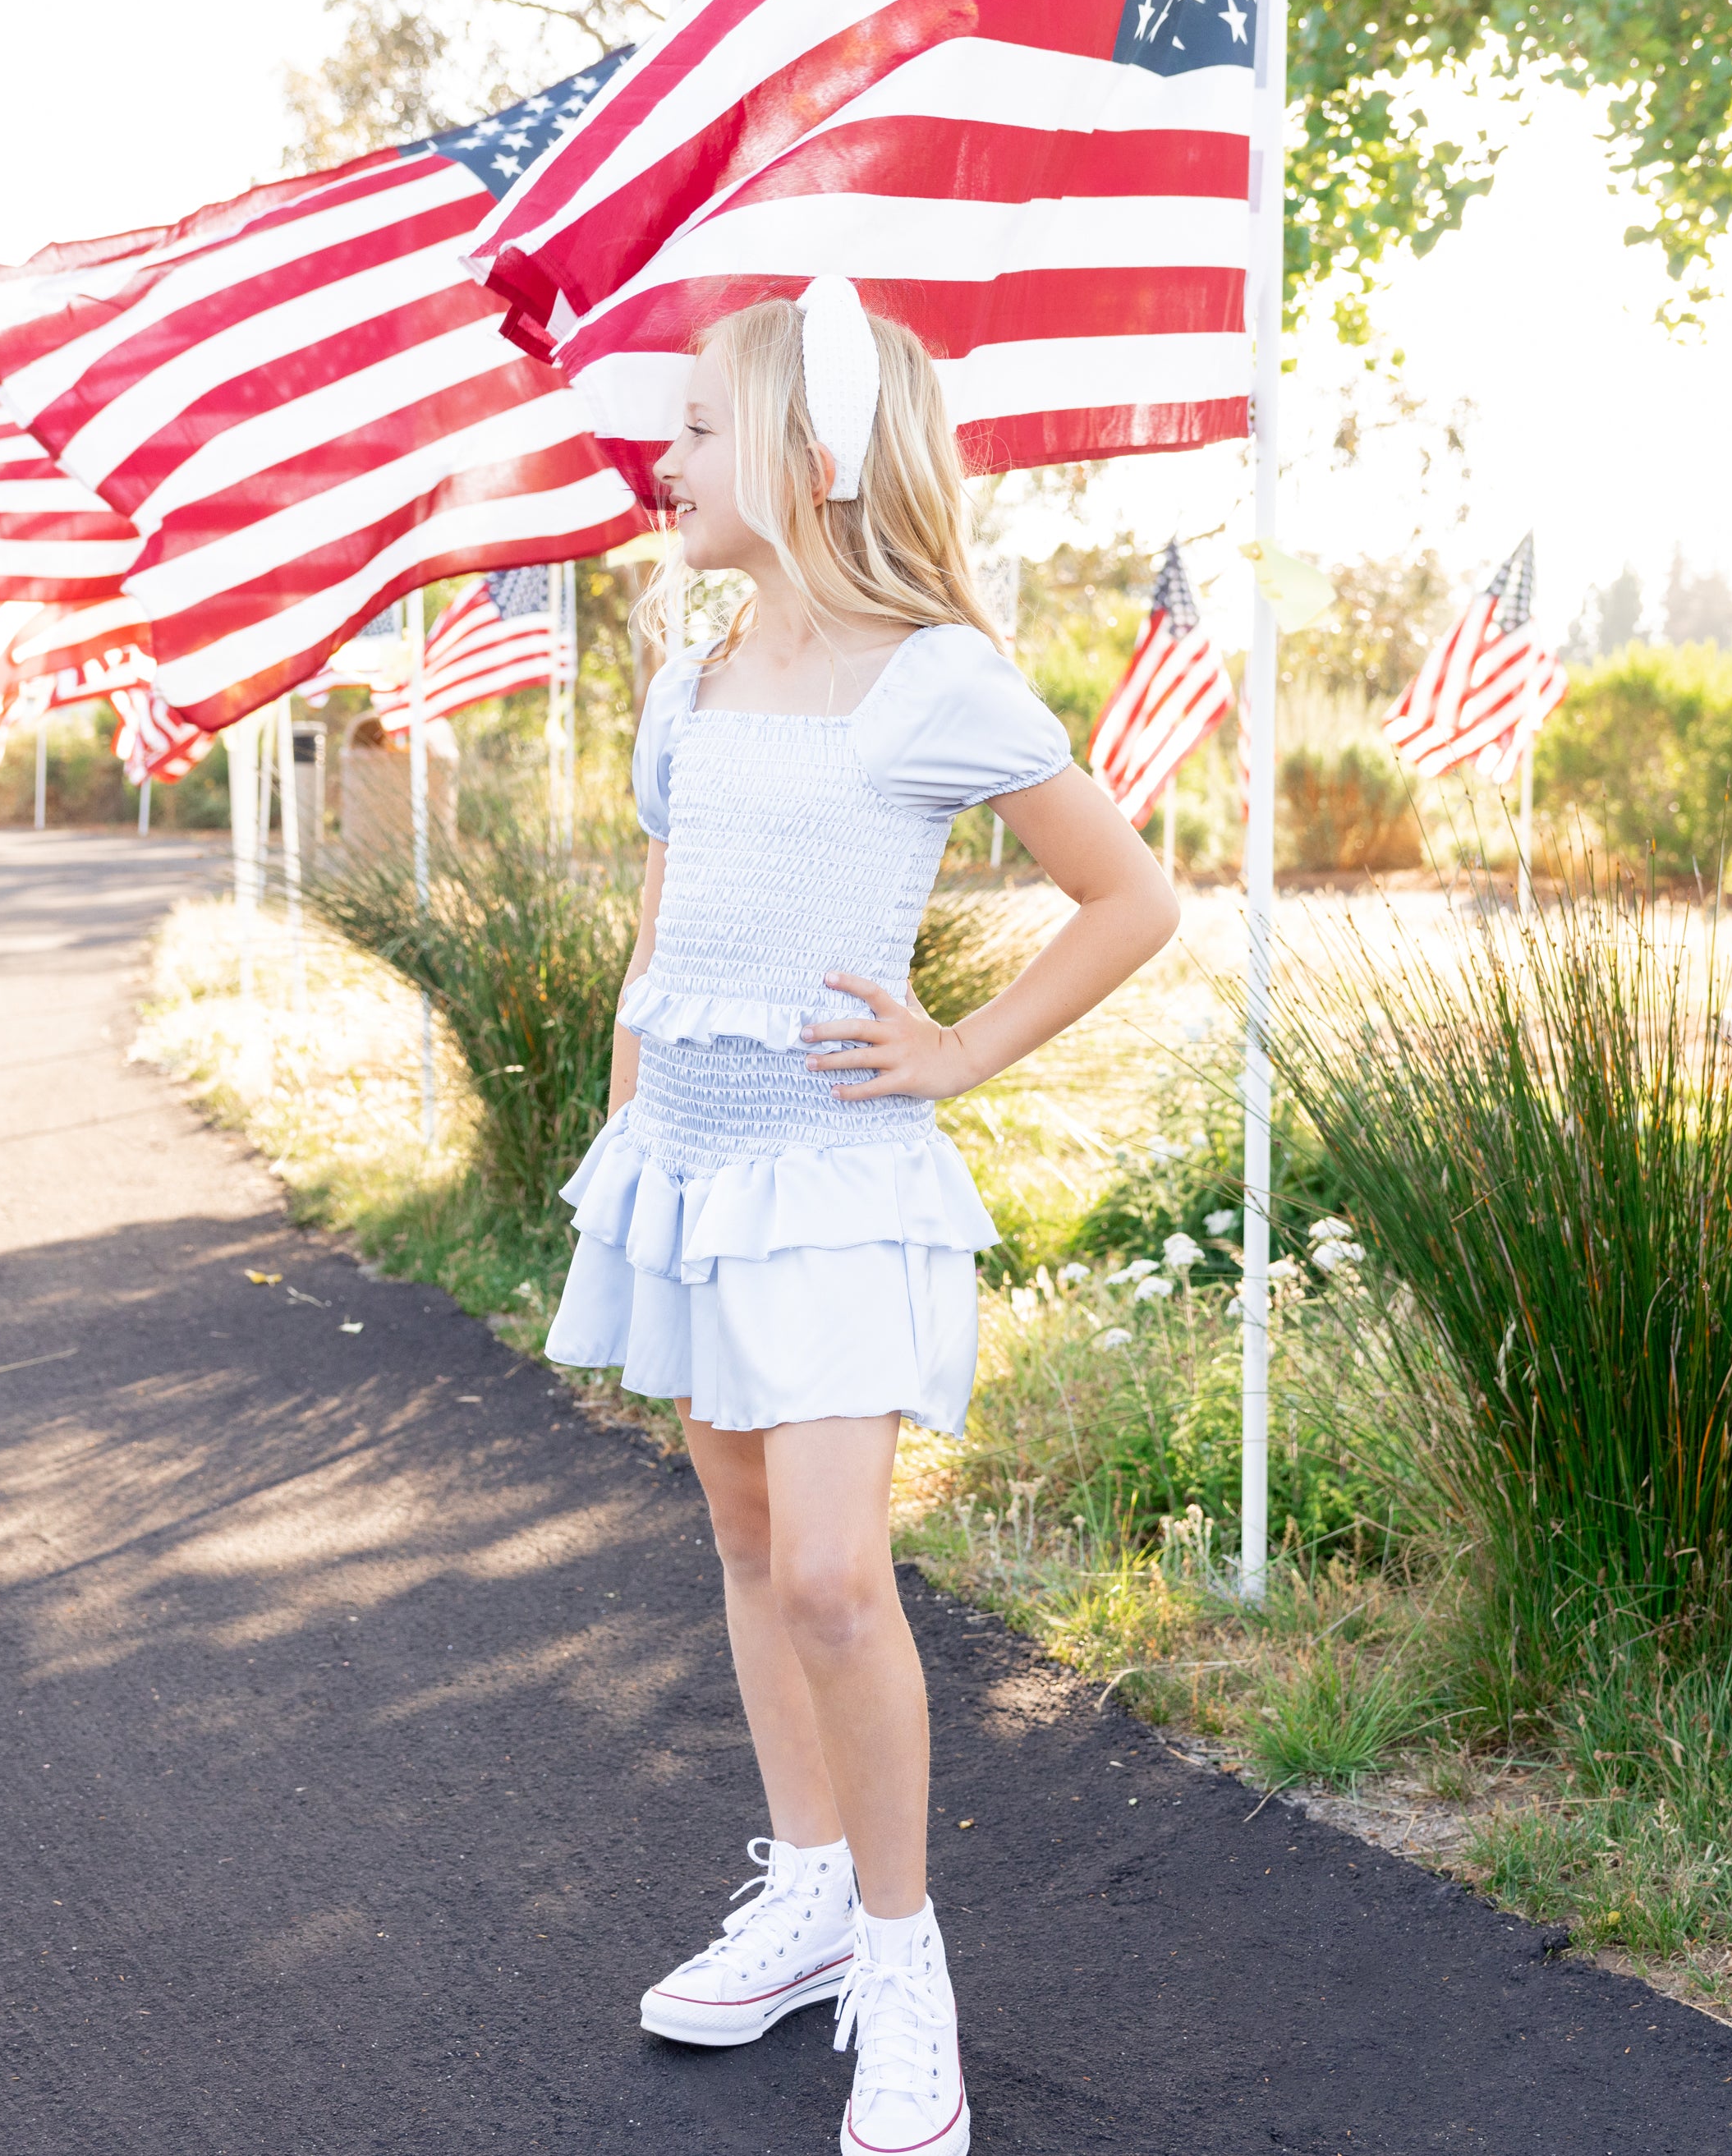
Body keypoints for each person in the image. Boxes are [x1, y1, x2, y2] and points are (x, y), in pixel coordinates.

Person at [544, 279, 1180, 2156]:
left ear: (809, 463)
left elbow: (1128, 900)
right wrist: (625, 1152)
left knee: (832, 1572)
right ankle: (807, 1890)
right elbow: (655, 947)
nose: (658, 459)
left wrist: (958, 1049)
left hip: (834, 1183)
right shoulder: (689, 680)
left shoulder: (934, 683)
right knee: (744, 1543)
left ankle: (905, 1968)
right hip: (688, 1179)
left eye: (693, 431)